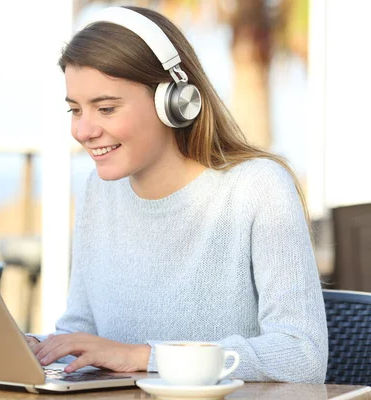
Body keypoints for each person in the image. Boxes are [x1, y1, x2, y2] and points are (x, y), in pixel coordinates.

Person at [24, 5, 328, 384]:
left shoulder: (257, 188)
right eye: (75, 110)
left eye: (105, 108)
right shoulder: (98, 191)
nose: (83, 131)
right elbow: (83, 328)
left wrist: (144, 357)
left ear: (175, 100)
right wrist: (40, 347)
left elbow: (303, 354)